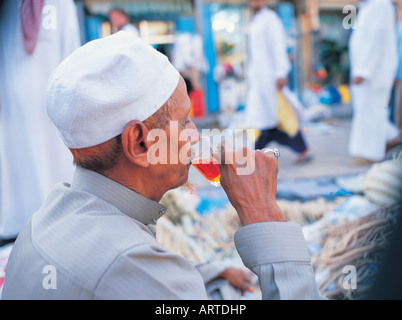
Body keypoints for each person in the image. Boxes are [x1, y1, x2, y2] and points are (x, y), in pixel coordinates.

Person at [2, 32, 325, 300]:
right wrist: (263, 215)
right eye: (184, 122)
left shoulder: (43, 220)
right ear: (140, 143)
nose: (195, 134)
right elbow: (124, 274)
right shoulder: (130, 264)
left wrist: (206, 273)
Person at [0, 0, 81, 246]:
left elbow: (72, 64)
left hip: (51, 123)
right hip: (8, 121)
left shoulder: (61, 5)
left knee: (53, 207)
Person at [244, 0, 313, 164]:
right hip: (259, 81)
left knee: (280, 116)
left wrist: (281, 73)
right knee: (261, 119)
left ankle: (302, 148)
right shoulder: (255, 21)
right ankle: (254, 155)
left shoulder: (270, 19)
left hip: (271, 80)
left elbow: (278, 47)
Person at [348, 0, 400, 165]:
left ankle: (372, 154)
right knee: (367, 112)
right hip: (365, 72)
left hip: (374, 73)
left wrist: (364, 70)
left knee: (373, 113)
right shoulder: (369, 6)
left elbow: (377, 39)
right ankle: (390, 138)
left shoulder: (381, 5)